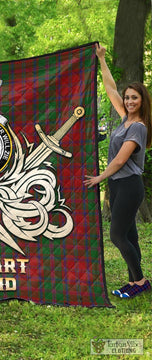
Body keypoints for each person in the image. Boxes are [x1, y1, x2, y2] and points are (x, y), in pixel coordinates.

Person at [84, 44, 151, 299]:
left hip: (129, 184)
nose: (129, 101)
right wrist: (102, 60)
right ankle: (135, 282)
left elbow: (122, 159)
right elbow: (111, 89)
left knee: (117, 235)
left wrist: (100, 177)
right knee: (130, 235)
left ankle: (140, 281)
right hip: (118, 184)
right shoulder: (125, 119)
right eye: (128, 98)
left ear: (143, 100)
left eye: (135, 97)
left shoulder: (139, 127)